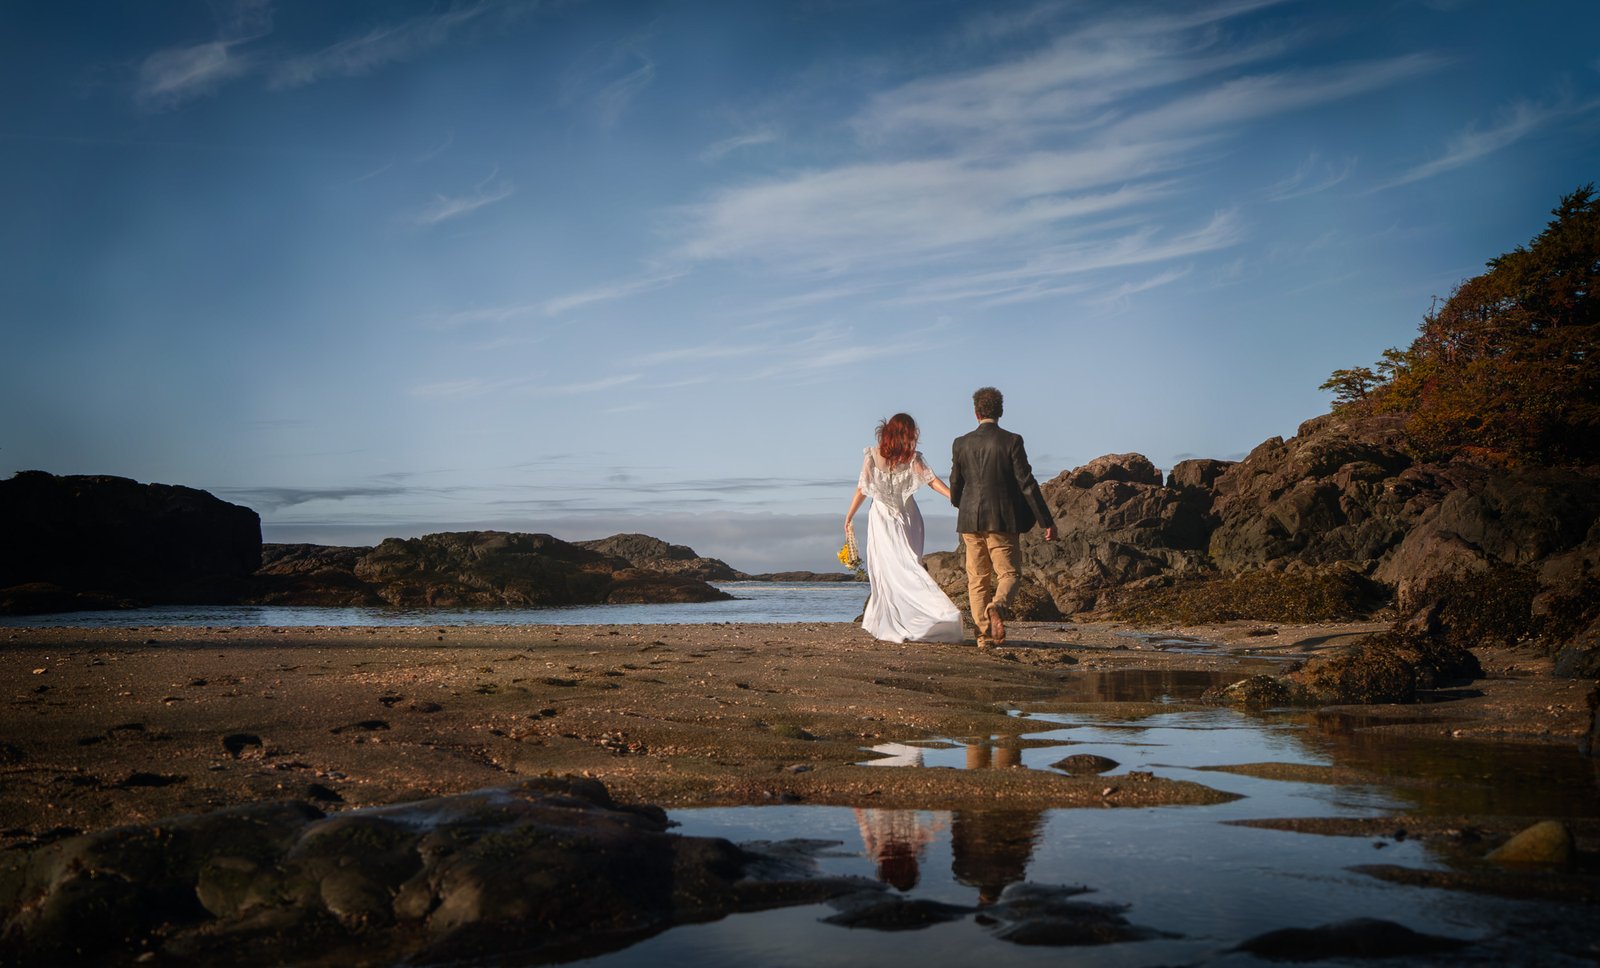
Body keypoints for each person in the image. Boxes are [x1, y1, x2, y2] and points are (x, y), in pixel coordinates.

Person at [948, 387, 1056, 648]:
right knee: (1009, 574)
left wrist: (958, 503)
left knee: (977, 579)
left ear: (976, 413)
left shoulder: (960, 442)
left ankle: (984, 636)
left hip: (969, 520)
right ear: (1000, 411)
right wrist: (1046, 520)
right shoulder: (1012, 441)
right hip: (1001, 520)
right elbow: (1027, 483)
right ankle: (998, 606)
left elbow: (955, 482)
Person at [845, 413, 964, 643]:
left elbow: (862, 488)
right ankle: (927, 615)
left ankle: (930, 615)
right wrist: (954, 497)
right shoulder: (909, 458)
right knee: (906, 567)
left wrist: (849, 516)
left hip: (883, 518)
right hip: (906, 516)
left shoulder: (876, 455)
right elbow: (932, 481)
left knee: (895, 570)